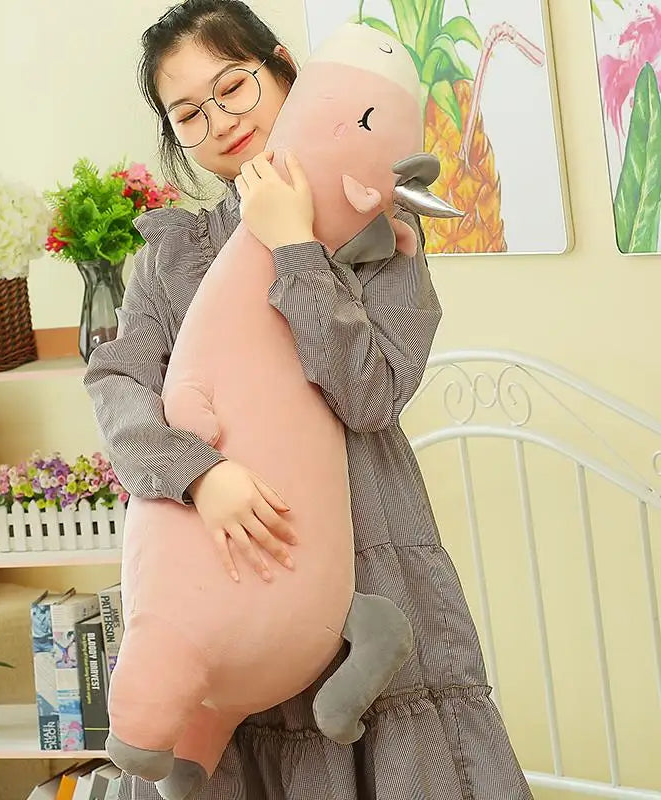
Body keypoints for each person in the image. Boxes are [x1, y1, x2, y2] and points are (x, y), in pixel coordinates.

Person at [84, 1, 533, 798]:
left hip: (368, 559)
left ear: (285, 69)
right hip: (225, 573)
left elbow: (372, 393)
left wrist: (295, 245)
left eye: (234, 87)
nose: (220, 121)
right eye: (189, 114)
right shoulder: (173, 255)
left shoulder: (378, 229)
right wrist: (199, 474)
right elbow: (119, 386)